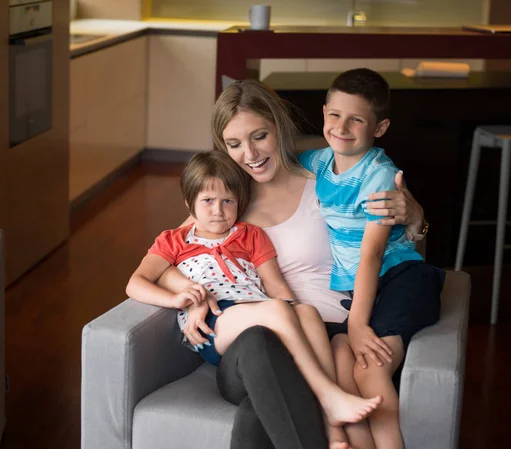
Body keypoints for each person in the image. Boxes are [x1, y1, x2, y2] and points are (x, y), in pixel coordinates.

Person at [157, 78, 428, 449]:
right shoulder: (226, 201)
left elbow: (393, 252)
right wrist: (192, 292)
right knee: (259, 344)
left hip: (326, 330)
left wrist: (416, 218)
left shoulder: (327, 177)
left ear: (279, 128)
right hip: (255, 343)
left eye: (259, 137)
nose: (250, 154)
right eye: (234, 144)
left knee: (265, 406)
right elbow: (167, 255)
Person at [126, 150, 383, 434]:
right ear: (190, 203)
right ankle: (328, 395)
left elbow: (276, 287)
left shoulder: (250, 234)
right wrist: (176, 298)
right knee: (277, 309)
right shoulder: (174, 240)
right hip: (215, 321)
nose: (218, 210)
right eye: (208, 201)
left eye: (228, 201)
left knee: (307, 312)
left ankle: (332, 426)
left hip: (259, 310)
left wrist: (295, 315)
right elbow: (136, 282)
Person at [298, 68, 445, 449]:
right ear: (324, 111)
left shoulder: (379, 176)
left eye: (356, 119)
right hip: (366, 287)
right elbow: (275, 166)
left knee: (372, 369)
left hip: (401, 278)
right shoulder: (316, 163)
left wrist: (359, 323)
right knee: (342, 356)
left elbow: (372, 255)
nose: (341, 127)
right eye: (335, 115)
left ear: (379, 128)